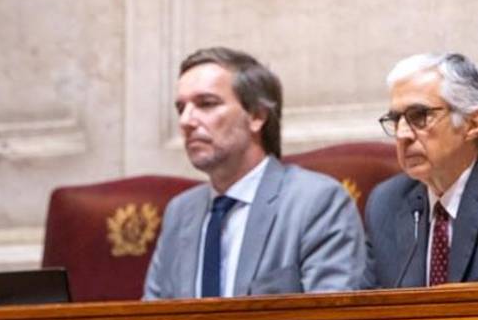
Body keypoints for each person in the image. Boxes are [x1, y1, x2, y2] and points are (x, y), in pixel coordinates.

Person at [143, 47, 368, 299]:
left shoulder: (316, 201)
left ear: (257, 116)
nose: (186, 121)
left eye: (206, 104)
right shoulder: (180, 212)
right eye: (181, 108)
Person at [366, 53, 478, 288]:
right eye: (396, 119)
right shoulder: (386, 204)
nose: (402, 134)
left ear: (472, 124)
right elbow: (369, 310)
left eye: (420, 116)